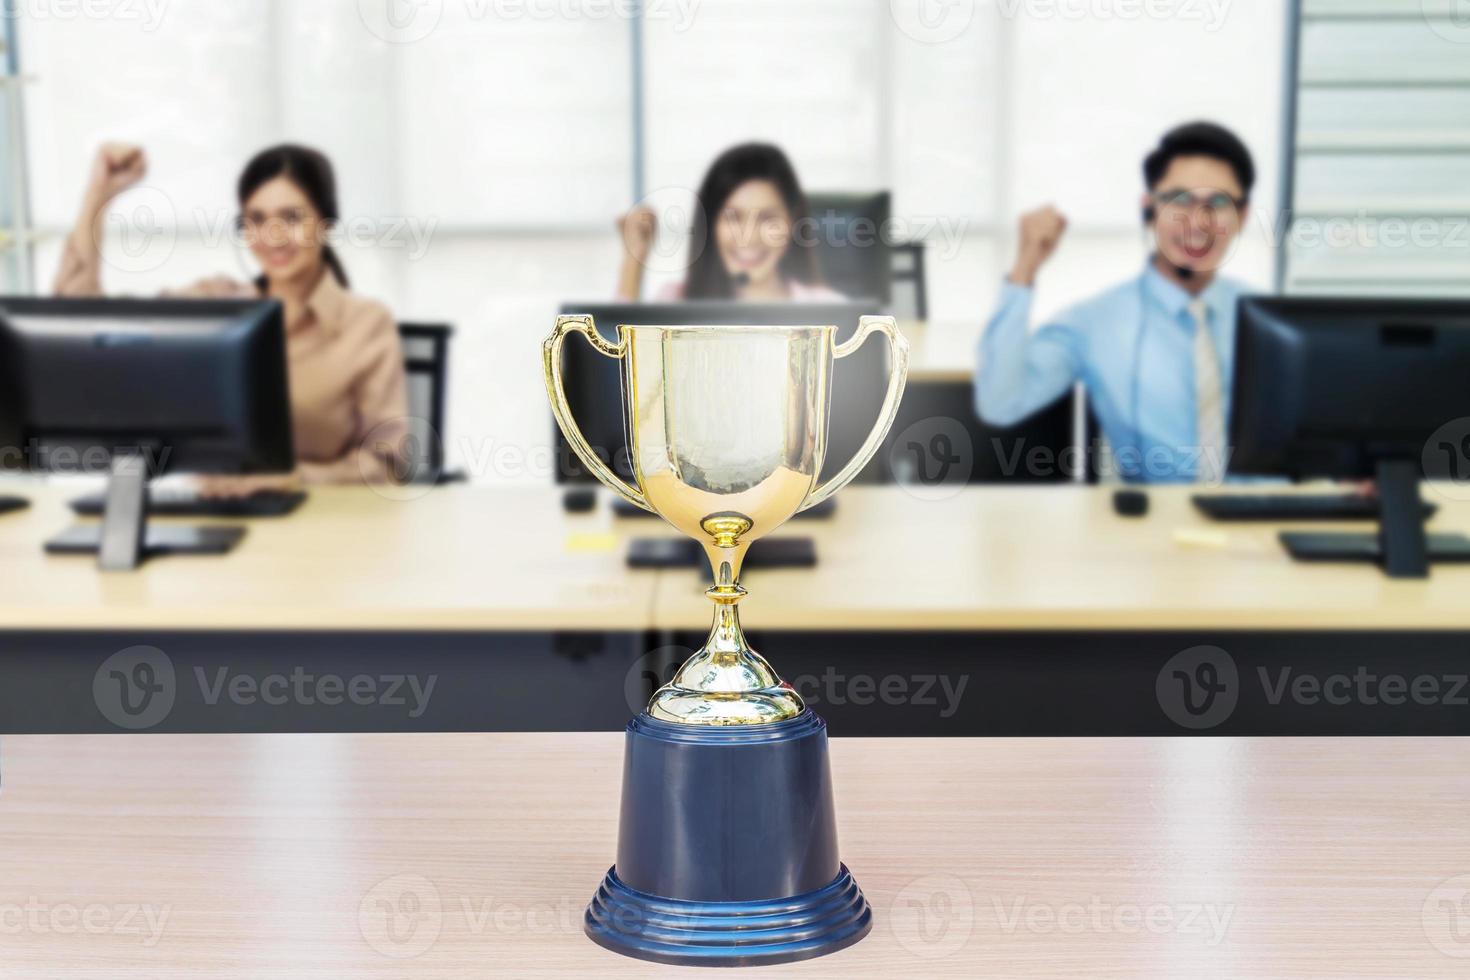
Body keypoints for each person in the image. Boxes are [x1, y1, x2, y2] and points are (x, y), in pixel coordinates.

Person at [55, 143, 408, 490]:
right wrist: (99, 195)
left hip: (324, 529)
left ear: (326, 223)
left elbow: (390, 463)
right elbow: (82, 321)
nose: (273, 236)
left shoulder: (366, 324)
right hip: (216, 522)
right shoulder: (214, 306)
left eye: (292, 217)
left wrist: (296, 477)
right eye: (257, 219)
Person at [977, 121, 1257, 484]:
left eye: (1218, 203)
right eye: (1178, 200)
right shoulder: (1095, 323)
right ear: (1149, 209)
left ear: (1243, 216)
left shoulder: (1272, 319)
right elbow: (1001, 403)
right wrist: (1025, 268)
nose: (1197, 222)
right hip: (1159, 528)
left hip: (1267, 519)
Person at [616, 142, 845, 303]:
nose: (749, 236)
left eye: (767, 219)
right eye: (733, 217)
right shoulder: (675, 301)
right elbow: (616, 361)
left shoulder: (829, 310)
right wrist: (633, 259)